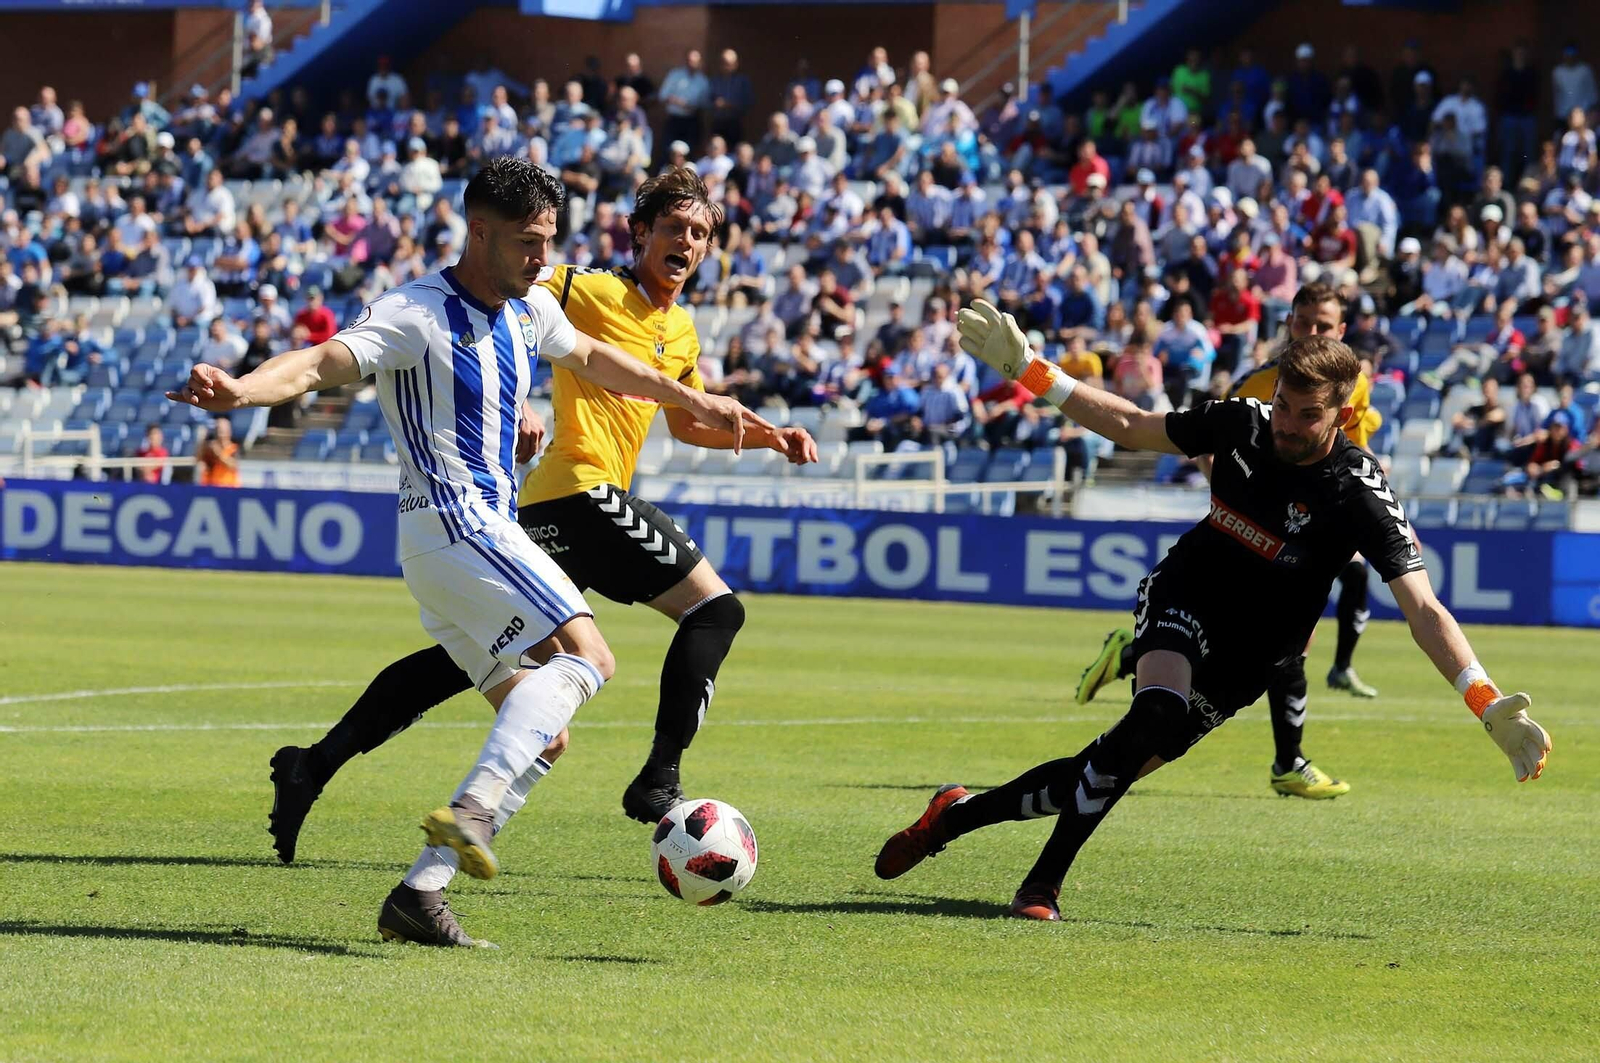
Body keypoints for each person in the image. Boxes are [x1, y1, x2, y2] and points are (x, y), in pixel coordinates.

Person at [169, 157, 764, 947]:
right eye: (527, 242)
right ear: (479, 232)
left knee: (545, 732)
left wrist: (692, 396)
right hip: (460, 523)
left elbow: (596, 359)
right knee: (589, 655)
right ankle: (474, 808)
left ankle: (420, 892)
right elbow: (319, 362)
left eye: (549, 241)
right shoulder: (415, 311)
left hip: (453, 544)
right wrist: (243, 390)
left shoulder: (528, 309)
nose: (542, 258)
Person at [874, 300, 1551, 921]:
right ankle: (1039, 887)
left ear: (1342, 417)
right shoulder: (1244, 422)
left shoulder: (1359, 493)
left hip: (1250, 658)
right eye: (1283, 405)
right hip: (1186, 592)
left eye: (1306, 415)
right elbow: (1131, 425)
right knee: (1153, 716)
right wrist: (1031, 370)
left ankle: (954, 814)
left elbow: (1424, 608)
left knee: (1103, 769)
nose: (1286, 424)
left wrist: (1484, 700)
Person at [261, 166, 817, 871]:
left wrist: (770, 437)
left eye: (699, 233)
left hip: (552, 506)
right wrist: (513, 393)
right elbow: (501, 310)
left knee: (481, 660)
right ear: (639, 233)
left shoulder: (679, 330)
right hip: (577, 492)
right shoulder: (586, 287)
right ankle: (659, 777)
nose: (686, 242)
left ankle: (316, 765)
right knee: (716, 609)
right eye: (673, 227)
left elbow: (686, 421)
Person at [1079, 283, 1381, 805]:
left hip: (1320, 516)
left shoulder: (1354, 382)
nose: (1311, 331)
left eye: (1322, 325)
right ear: (1289, 322)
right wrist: (1239, 498)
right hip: (1262, 531)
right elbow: (1207, 441)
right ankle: (1287, 761)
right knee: (1279, 646)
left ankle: (1133, 658)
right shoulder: (1262, 383)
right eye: (1302, 321)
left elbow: (1353, 444)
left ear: (1341, 330)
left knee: (1293, 633)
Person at [197, 416, 242, 487]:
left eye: (222, 431)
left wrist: (218, 453)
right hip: (213, 487)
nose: (220, 434)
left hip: (229, 487)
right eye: (218, 430)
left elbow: (233, 465)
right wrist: (202, 440)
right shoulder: (210, 448)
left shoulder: (234, 448)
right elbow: (199, 460)